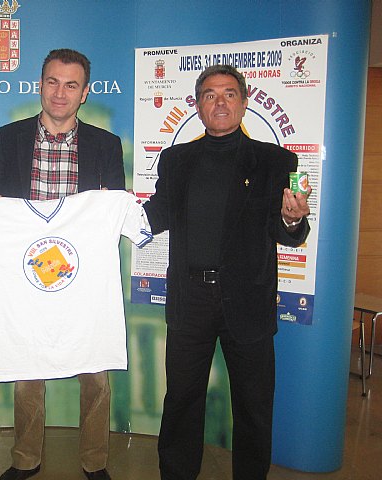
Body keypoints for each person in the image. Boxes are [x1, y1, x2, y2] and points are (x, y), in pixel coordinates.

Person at [142, 64, 311, 480]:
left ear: (245, 101)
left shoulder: (275, 161)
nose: (220, 102)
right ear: (198, 105)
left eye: (229, 94)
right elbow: (157, 214)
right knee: (182, 401)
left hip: (248, 302)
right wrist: (110, 212)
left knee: (253, 406)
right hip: (190, 301)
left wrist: (291, 221)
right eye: (210, 95)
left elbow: (286, 232)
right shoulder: (175, 159)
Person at [0, 48, 124, 480]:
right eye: (52, 82)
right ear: (39, 84)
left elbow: (114, 213)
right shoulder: (10, 138)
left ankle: (94, 462)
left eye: (70, 85)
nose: (59, 93)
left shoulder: (106, 144)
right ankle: (25, 460)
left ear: (85, 93)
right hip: (25, 276)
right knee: (28, 373)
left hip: (83, 277)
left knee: (95, 376)